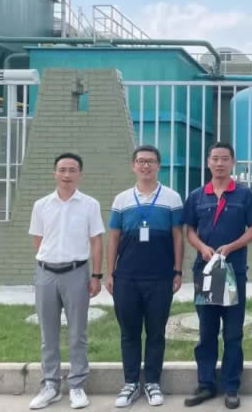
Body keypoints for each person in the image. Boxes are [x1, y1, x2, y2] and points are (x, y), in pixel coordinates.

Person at [183, 142, 252, 409]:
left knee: (232, 333)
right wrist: (202, 248)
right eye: (215, 158)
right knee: (207, 332)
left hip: (233, 272)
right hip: (206, 272)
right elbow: (189, 230)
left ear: (232, 162)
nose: (219, 163)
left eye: (224, 159)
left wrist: (231, 247)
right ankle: (206, 385)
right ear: (208, 162)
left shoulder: (244, 195)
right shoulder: (197, 196)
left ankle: (231, 387)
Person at [106, 145, 184, 408]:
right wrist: (110, 273)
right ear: (133, 166)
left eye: (150, 161)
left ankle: (152, 382)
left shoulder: (172, 198)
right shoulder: (122, 199)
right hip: (126, 278)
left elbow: (177, 236)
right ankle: (130, 383)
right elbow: (113, 237)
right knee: (129, 333)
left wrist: (177, 270)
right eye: (140, 161)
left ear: (158, 166)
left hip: (160, 277)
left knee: (156, 333)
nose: (145, 165)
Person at [28, 153, 105, 410]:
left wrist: (96, 276)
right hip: (46, 274)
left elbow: (96, 241)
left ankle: (77, 385)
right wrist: (50, 260)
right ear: (55, 173)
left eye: (72, 170)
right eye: (62, 169)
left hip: (76, 273)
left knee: (77, 333)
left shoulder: (90, 205)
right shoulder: (41, 205)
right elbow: (38, 239)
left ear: (79, 174)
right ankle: (50, 385)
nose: (67, 174)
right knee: (47, 334)